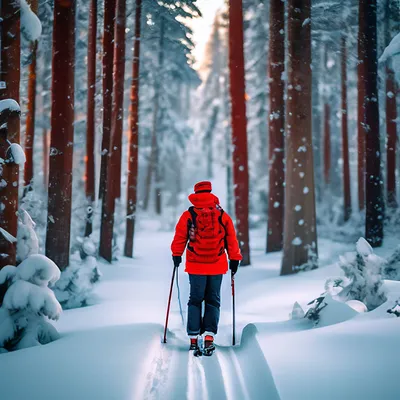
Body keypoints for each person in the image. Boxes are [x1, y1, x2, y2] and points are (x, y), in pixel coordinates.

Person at [171, 181, 242, 355]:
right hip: (217, 265)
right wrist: (234, 259)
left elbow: (180, 237)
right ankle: (209, 337)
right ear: (210, 192)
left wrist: (176, 254)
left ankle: (194, 339)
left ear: (195, 193)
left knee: (195, 300)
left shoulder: (188, 215)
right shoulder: (222, 215)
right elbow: (231, 239)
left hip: (196, 265)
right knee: (213, 300)